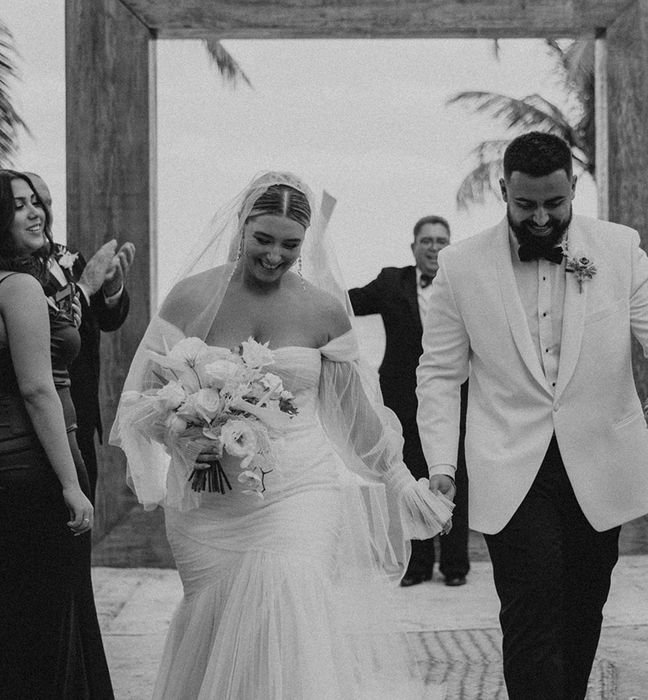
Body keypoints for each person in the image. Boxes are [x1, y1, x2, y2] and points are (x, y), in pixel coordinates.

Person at [110, 171, 453, 699]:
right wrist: (183, 436)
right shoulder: (189, 299)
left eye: (290, 245)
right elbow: (142, 402)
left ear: (306, 242)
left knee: (288, 604)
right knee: (216, 627)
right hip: (210, 502)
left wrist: (404, 483)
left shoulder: (322, 310)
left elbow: (355, 414)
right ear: (241, 227)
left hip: (299, 490)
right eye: (263, 239)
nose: (274, 255)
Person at [416, 132, 648, 699]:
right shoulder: (460, 265)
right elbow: (440, 376)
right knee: (530, 610)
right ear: (504, 191)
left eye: (555, 203)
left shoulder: (618, 248)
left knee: (582, 608)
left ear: (573, 188)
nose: (542, 218)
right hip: (510, 465)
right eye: (526, 205)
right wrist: (441, 465)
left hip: (599, 460)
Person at [0, 170, 114, 698]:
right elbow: (37, 390)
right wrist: (71, 484)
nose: (35, 211)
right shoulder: (18, 287)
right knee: (55, 616)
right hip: (39, 466)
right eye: (18, 205)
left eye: (35, 202)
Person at [349, 215, 470, 587]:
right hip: (401, 398)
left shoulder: (464, 284)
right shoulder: (390, 282)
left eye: (441, 241)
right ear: (413, 247)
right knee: (410, 476)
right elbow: (346, 303)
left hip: (454, 397)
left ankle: (455, 566)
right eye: (427, 241)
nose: (435, 247)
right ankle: (417, 566)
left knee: (453, 474)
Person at [24, 172, 133, 503]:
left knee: (81, 524)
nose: (38, 211)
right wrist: (84, 290)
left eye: (44, 202)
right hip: (34, 421)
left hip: (81, 414)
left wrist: (112, 291)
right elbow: (50, 327)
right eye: (25, 204)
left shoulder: (68, 257)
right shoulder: (13, 270)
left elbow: (102, 320)